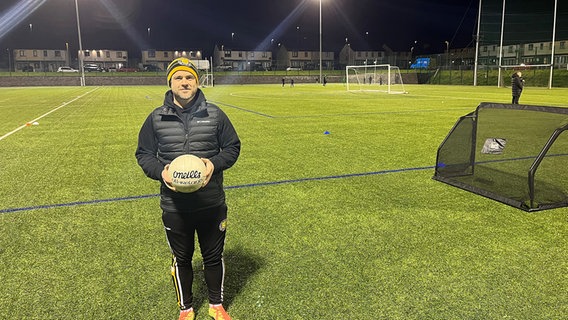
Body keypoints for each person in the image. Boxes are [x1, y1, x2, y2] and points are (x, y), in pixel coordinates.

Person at [135, 57, 241, 320]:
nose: (185, 82)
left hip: (211, 203)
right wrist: (161, 171)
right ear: (170, 83)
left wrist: (212, 165)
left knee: (213, 257)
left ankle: (216, 305)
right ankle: (186, 309)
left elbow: (232, 148)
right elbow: (144, 153)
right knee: (182, 259)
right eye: (179, 78)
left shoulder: (215, 114)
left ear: (198, 81)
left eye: (190, 77)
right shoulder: (155, 118)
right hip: (175, 206)